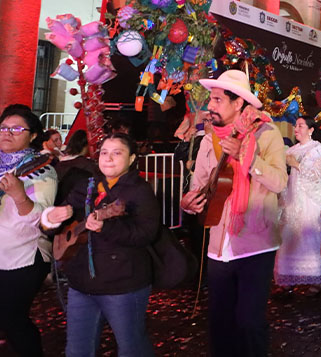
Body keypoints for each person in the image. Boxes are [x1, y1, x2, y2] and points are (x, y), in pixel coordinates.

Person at [180, 70, 287, 356]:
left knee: (250, 322)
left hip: (255, 243)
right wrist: (188, 202)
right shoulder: (208, 139)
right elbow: (199, 187)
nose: (210, 106)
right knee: (220, 321)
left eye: (216, 100)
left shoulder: (267, 133)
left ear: (238, 103)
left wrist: (246, 156)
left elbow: (279, 182)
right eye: (210, 99)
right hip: (218, 245)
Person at [41, 133, 159, 357]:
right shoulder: (87, 185)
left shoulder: (139, 191)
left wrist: (106, 228)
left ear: (132, 158)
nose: (109, 159)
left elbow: (146, 234)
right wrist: (54, 217)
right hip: (81, 282)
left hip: (123, 284)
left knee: (132, 348)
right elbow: (58, 223)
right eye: (104, 153)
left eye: (117, 153)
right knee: (77, 349)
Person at [0, 105, 56, 357]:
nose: (7, 133)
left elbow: (43, 220)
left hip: (23, 258)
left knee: (12, 319)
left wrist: (20, 196)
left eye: (16, 129)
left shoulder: (40, 169)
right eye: (3, 128)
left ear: (33, 135)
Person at [275, 116, 321, 292]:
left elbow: (316, 175)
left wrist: (296, 165)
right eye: (295, 126)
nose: (296, 129)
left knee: (309, 238)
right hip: (293, 198)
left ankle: (315, 281)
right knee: (289, 237)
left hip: (311, 201)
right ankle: (288, 281)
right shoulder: (292, 149)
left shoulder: (318, 149)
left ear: (311, 130)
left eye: (301, 126)